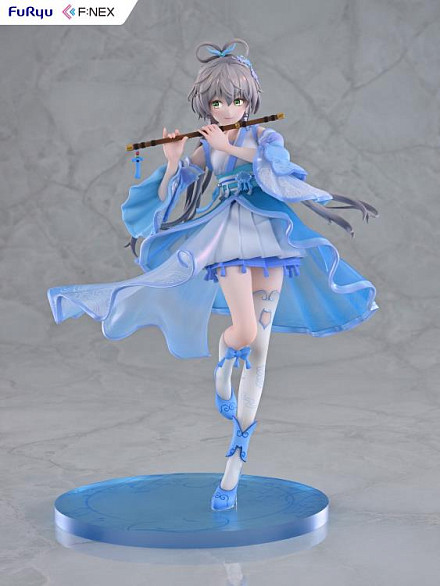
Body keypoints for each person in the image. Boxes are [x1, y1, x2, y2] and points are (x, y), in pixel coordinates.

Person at [47, 39, 378, 512]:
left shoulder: (264, 139)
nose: (226, 108)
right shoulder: (208, 143)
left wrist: (230, 148)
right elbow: (173, 189)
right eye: (218, 102)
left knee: (260, 351)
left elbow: (277, 173)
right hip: (226, 238)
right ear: (207, 104)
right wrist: (174, 161)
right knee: (243, 331)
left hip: (271, 236)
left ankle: (233, 469)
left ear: (250, 100)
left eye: (235, 100)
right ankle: (223, 371)